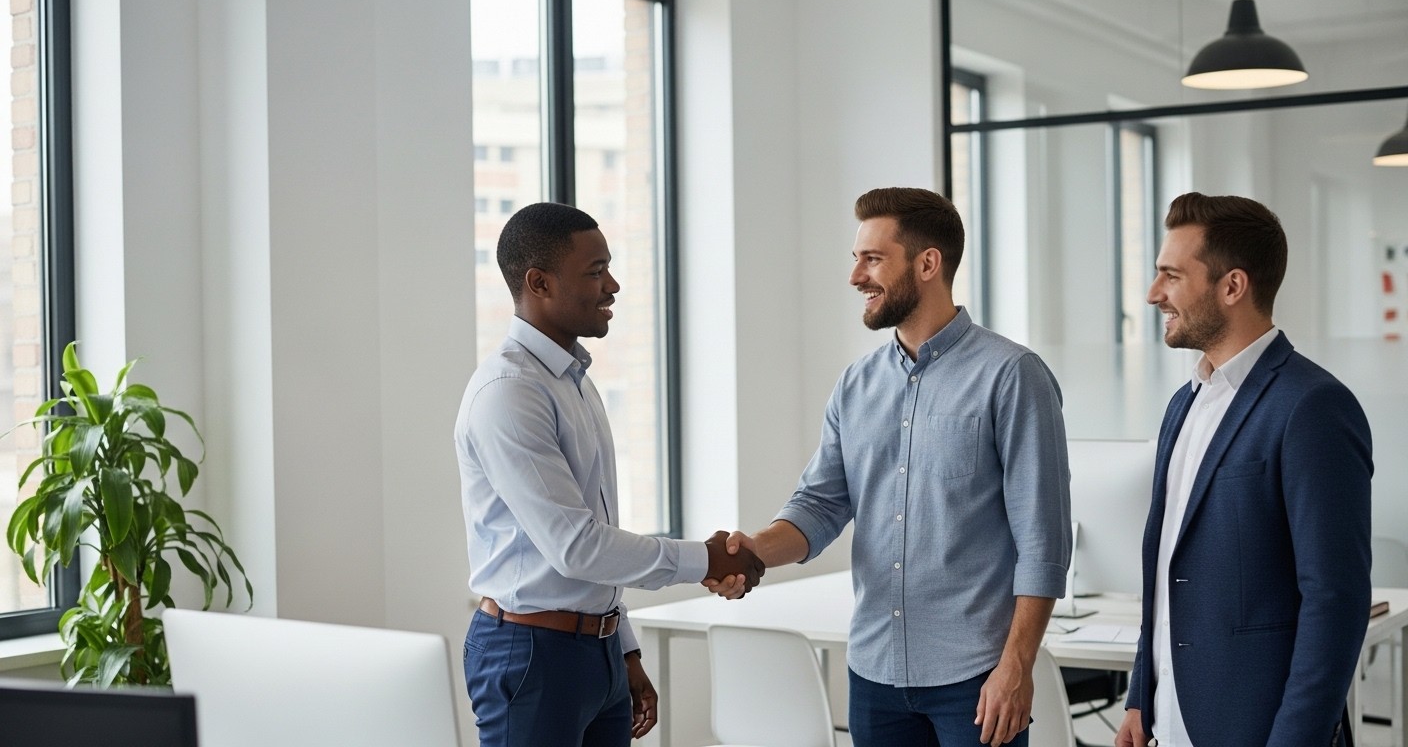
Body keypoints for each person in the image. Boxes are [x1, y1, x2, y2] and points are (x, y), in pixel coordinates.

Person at [708, 187, 1072, 747]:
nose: (856, 276)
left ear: (928, 264)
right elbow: (819, 506)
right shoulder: (856, 384)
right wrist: (753, 550)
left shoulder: (1013, 376)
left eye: (873, 259)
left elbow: (1043, 541)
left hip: (977, 677)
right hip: (875, 672)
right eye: (856, 259)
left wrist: (1017, 667)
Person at [455, 202, 765, 747]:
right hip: (531, 655)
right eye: (596, 271)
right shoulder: (510, 392)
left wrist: (622, 648)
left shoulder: (572, 379)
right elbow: (577, 547)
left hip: (594, 651)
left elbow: (595, 532)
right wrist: (708, 559)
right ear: (539, 283)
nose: (613, 285)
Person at [1115, 193, 1373, 747]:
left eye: (1171, 276)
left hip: (1259, 729)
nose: (1153, 293)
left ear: (1232, 286)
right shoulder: (1183, 404)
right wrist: (1140, 695)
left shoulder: (1313, 406)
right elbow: (1166, 571)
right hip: (1169, 722)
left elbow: (1335, 600)